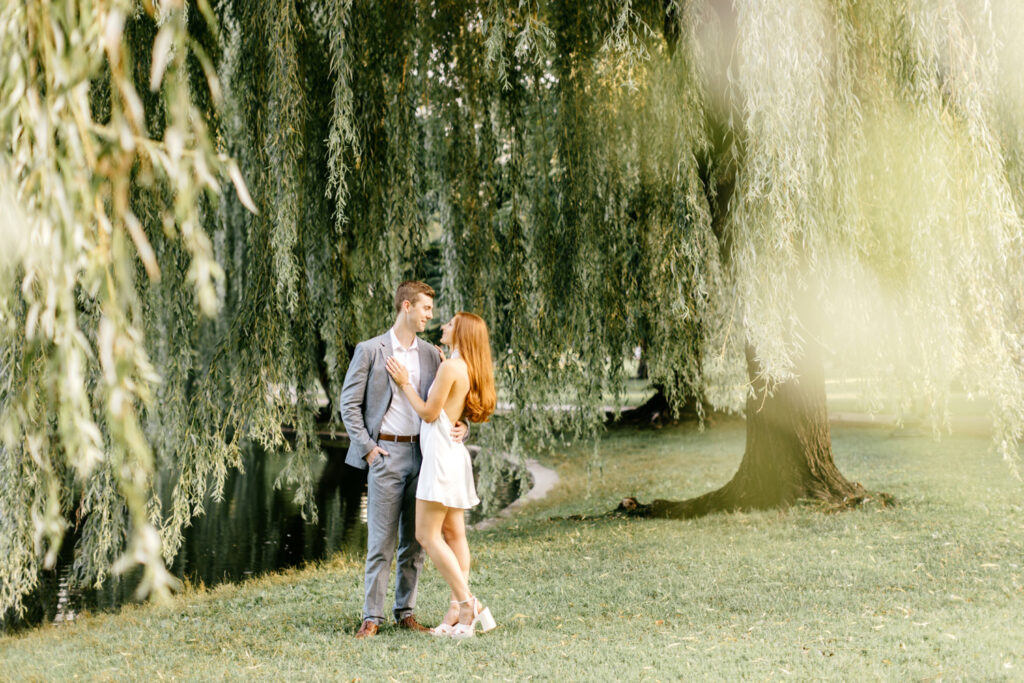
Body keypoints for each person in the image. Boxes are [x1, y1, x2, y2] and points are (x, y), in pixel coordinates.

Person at [340, 281, 468, 639]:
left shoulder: (431, 354)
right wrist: (367, 448)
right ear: (406, 306)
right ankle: (371, 617)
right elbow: (348, 405)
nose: (430, 314)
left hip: (425, 455)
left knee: (416, 541)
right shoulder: (370, 350)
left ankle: (405, 612)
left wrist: (464, 426)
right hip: (386, 454)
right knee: (381, 542)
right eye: (426, 308)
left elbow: (448, 401)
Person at [385, 311, 497, 638]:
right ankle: (456, 609)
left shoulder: (450, 368)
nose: (443, 326)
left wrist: (405, 382)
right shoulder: (461, 365)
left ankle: (467, 603)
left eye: (449, 323)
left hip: (440, 458)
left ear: (461, 332)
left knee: (427, 535)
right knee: (454, 533)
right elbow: (452, 411)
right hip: (452, 456)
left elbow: (429, 412)